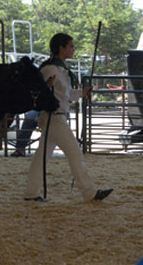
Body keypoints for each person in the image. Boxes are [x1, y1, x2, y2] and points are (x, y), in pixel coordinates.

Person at [23, 33, 113, 202]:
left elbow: (67, 95)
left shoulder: (61, 69)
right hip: (53, 117)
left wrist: (82, 93)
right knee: (75, 153)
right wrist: (45, 86)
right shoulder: (49, 69)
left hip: (57, 117)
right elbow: (35, 88)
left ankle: (31, 193)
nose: (73, 49)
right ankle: (90, 193)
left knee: (42, 157)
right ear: (61, 48)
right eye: (70, 46)